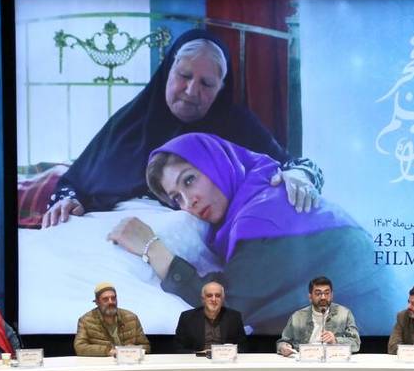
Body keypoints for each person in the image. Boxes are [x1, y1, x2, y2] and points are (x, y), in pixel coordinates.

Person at [109, 133, 393, 334]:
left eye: (190, 180)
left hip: (368, 349)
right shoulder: (256, 193)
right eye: (177, 198)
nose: (188, 202)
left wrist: (152, 248)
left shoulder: (264, 213)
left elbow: (222, 310)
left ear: (218, 163)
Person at [37, 29, 321, 227]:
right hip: (98, 232)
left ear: (221, 89)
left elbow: (296, 166)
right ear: (167, 72)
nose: (191, 90)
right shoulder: (130, 121)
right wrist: (67, 200)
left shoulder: (237, 125)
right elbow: (73, 181)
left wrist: (300, 174)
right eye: (184, 75)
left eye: (207, 83)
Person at [276, 277, 361, 355]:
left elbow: (356, 343)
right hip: (305, 361)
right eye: (318, 293)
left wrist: (335, 341)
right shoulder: (297, 317)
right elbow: (283, 341)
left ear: (332, 295)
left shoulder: (344, 314)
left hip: (334, 360)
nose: (323, 297)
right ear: (310, 297)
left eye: (327, 293)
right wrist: (283, 347)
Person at [73, 281, 150, 356]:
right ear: (97, 302)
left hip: (129, 362)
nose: (111, 302)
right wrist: (107, 351)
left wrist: (135, 349)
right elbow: (80, 347)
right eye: (105, 299)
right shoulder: (86, 321)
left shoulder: (132, 318)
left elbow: (146, 347)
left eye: (113, 298)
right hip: (103, 363)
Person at [174, 281, 248, 354]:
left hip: (225, 359)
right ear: (203, 299)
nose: (213, 299)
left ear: (223, 299)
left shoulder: (234, 317)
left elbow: (243, 347)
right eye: (209, 295)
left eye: (218, 295)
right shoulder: (187, 317)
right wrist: (198, 353)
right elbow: (178, 348)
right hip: (198, 359)